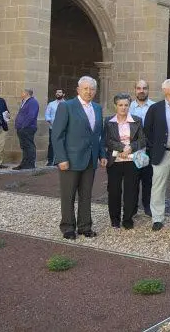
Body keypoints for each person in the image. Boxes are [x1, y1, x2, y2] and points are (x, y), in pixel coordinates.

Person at [51, 76, 107, 240]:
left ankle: (85, 226)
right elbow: (57, 135)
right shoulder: (67, 106)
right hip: (70, 159)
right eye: (85, 88)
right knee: (68, 195)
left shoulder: (97, 108)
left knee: (86, 195)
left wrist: (102, 154)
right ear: (78, 90)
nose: (89, 92)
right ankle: (68, 227)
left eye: (92, 89)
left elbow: (99, 135)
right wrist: (61, 158)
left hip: (90, 159)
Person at [142, 79, 170, 232]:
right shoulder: (155, 108)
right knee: (158, 186)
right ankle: (157, 218)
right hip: (161, 153)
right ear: (165, 89)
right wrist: (155, 146)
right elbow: (147, 129)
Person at [104, 93, 147, 230]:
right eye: (120, 105)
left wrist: (130, 148)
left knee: (131, 191)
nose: (123, 108)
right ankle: (114, 219)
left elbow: (142, 140)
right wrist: (122, 147)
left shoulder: (137, 120)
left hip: (132, 161)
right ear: (115, 106)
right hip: (114, 162)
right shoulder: (108, 121)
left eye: (126, 105)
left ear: (130, 106)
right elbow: (107, 140)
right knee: (114, 191)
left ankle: (127, 219)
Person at [129, 80, 155, 216]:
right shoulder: (129, 107)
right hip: (133, 149)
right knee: (132, 180)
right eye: (138, 88)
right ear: (135, 90)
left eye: (144, 88)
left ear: (148, 90)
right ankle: (132, 207)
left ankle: (147, 206)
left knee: (148, 179)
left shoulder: (154, 106)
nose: (141, 90)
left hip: (149, 148)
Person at [13, 89, 39, 170]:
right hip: (22, 128)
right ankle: (24, 164)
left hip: (27, 128)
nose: (21, 94)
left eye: (22, 92)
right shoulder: (25, 101)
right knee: (24, 146)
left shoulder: (33, 102)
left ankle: (30, 164)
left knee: (29, 146)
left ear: (27, 93)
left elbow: (31, 115)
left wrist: (23, 126)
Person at [44, 89, 65, 166]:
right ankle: (50, 161)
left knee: (62, 144)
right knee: (52, 144)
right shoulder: (51, 104)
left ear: (63, 94)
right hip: (53, 128)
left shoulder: (67, 104)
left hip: (64, 129)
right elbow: (47, 115)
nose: (58, 94)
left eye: (60, 92)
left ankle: (60, 161)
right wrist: (51, 123)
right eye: (57, 92)